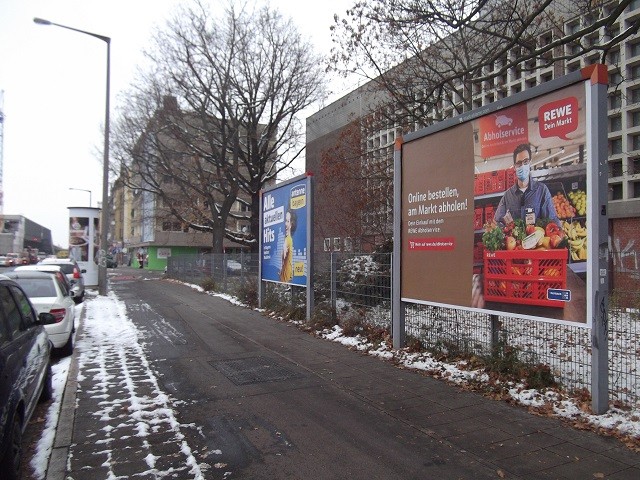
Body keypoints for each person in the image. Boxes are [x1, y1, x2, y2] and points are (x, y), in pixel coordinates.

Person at [493, 143, 561, 228]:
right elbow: (497, 221)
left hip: (538, 240)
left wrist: (558, 234)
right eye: (519, 163)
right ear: (514, 167)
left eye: (525, 161)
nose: (522, 166)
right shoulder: (508, 196)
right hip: (515, 241)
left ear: (530, 163)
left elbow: (552, 220)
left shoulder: (542, 191)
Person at [279, 210, 297, 283]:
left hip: (286, 277)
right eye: (285, 221)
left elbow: (284, 258)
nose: (285, 224)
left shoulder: (288, 240)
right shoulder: (289, 239)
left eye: (287, 221)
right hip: (286, 276)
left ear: (291, 224)